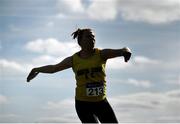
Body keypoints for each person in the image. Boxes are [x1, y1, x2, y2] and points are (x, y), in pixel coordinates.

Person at [27, 28, 132, 123]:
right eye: (89, 36)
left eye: (93, 37)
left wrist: (126, 52)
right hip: (83, 104)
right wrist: (36, 69)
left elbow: (123, 49)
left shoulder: (101, 54)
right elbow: (54, 68)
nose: (92, 39)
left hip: (101, 102)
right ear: (80, 41)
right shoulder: (74, 60)